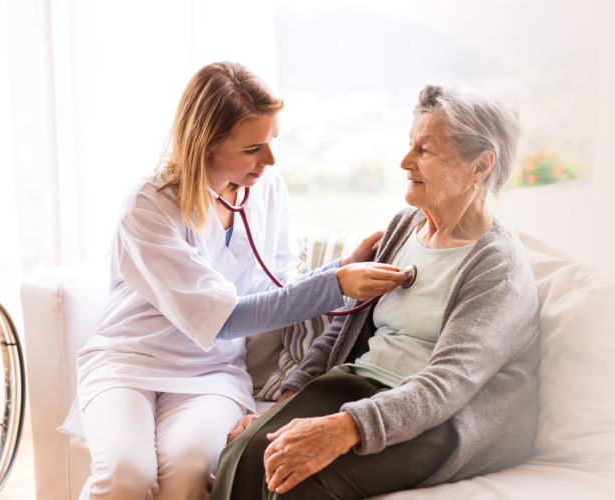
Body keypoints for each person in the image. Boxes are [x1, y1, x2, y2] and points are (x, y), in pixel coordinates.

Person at [61, 61, 407, 500]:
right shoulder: (149, 205)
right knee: (126, 477)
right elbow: (224, 319)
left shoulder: (267, 189)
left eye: (272, 141)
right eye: (252, 149)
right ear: (205, 145)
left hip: (211, 371)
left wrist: (341, 267)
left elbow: (275, 289)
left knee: (188, 475)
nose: (269, 160)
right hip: (129, 362)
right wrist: (337, 282)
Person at [211, 85, 541, 500]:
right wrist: (283, 404)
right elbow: (343, 327)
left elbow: (447, 385)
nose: (405, 162)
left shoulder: (497, 266)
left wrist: (343, 428)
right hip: (361, 384)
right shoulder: (405, 226)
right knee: (241, 454)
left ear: (480, 166)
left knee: (293, 483)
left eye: (425, 150)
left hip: (442, 418)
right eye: (410, 145)